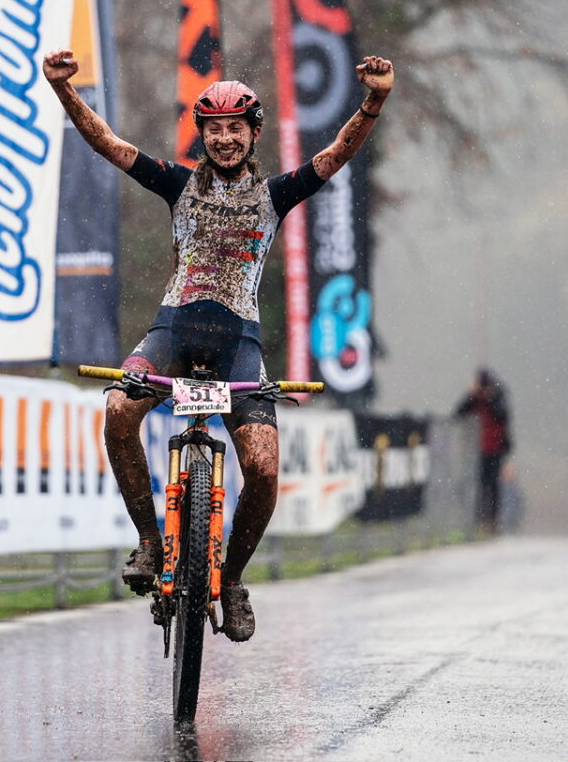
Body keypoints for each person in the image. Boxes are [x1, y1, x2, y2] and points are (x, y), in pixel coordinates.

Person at [43, 48, 393, 642]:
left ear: (254, 134)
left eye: (235, 128)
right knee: (118, 410)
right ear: (201, 135)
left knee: (263, 467)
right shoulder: (177, 184)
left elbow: (335, 156)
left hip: (239, 347)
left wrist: (374, 101)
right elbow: (108, 144)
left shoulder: (275, 195)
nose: (225, 139)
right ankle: (150, 544)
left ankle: (231, 581)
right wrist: (63, 90)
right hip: (172, 334)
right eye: (213, 129)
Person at [454, 368, 513, 535]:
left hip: (495, 450)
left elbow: (503, 415)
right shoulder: (474, 399)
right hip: (476, 451)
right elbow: (458, 413)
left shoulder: (498, 396)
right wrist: (470, 395)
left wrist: (490, 398)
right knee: (477, 485)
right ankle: (477, 521)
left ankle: (492, 522)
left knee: (492, 486)